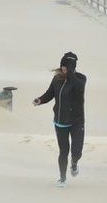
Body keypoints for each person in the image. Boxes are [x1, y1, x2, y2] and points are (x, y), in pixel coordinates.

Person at [34, 52, 87, 188]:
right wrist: (40, 100)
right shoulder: (57, 79)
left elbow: (77, 86)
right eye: (62, 66)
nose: (64, 69)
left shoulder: (81, 79)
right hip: (60, 122)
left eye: (67, 66)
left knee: (77, 151)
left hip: (77, 121)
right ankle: (62, 178)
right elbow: (50, 93)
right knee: (64, 150)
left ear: (72, 67)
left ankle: (74, 163)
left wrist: (70, 73)